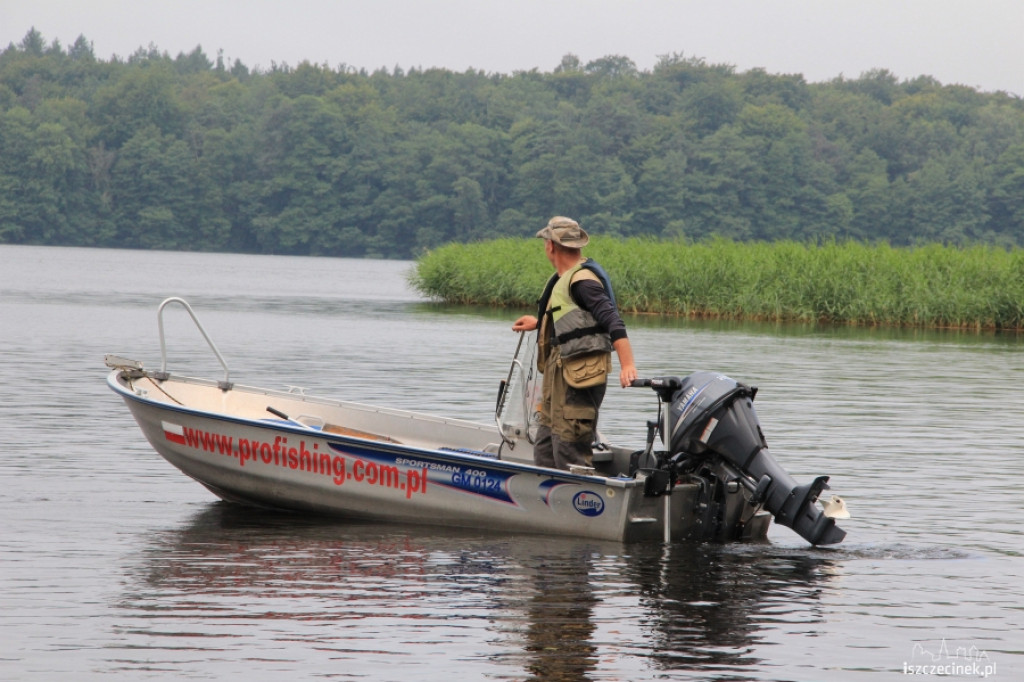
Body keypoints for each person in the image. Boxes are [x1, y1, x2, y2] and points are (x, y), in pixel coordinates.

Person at [512, 216, 637, 470]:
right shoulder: (565, 277)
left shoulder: (584, 281)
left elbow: (613, 321)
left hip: (578, 377)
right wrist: (539, 322)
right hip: (557, 373)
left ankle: (581, 504)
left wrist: (628, 365)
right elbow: (577, 318)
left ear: (551, 246)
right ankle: (545, 504)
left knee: (569, 450)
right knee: (545, 448)